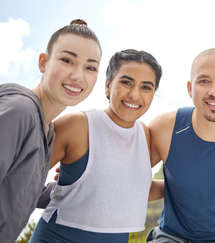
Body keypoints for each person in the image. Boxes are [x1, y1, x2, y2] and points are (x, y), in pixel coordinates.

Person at [29, 49, 164, 243]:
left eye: (146, 87)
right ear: (108, 86)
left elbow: (131, 191)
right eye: (126, 82)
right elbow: (21, 178)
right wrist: (57, 190)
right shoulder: (77, 125)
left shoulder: (145, 135)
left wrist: (178, 188)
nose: (135, 94)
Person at [0, 19, 101, 242]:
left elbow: (17, 193)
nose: (77, 76)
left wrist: (65, 187)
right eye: (67, 60)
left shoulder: (47, 130)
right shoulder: (20, 112)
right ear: (43, 62)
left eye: (90, 67)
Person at [147, 48, 215, 243]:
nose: (214, 91)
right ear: (190, 88)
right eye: (204, 81)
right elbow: (128, 183)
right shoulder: (165, 129)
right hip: (171, 237)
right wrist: (174, 189)